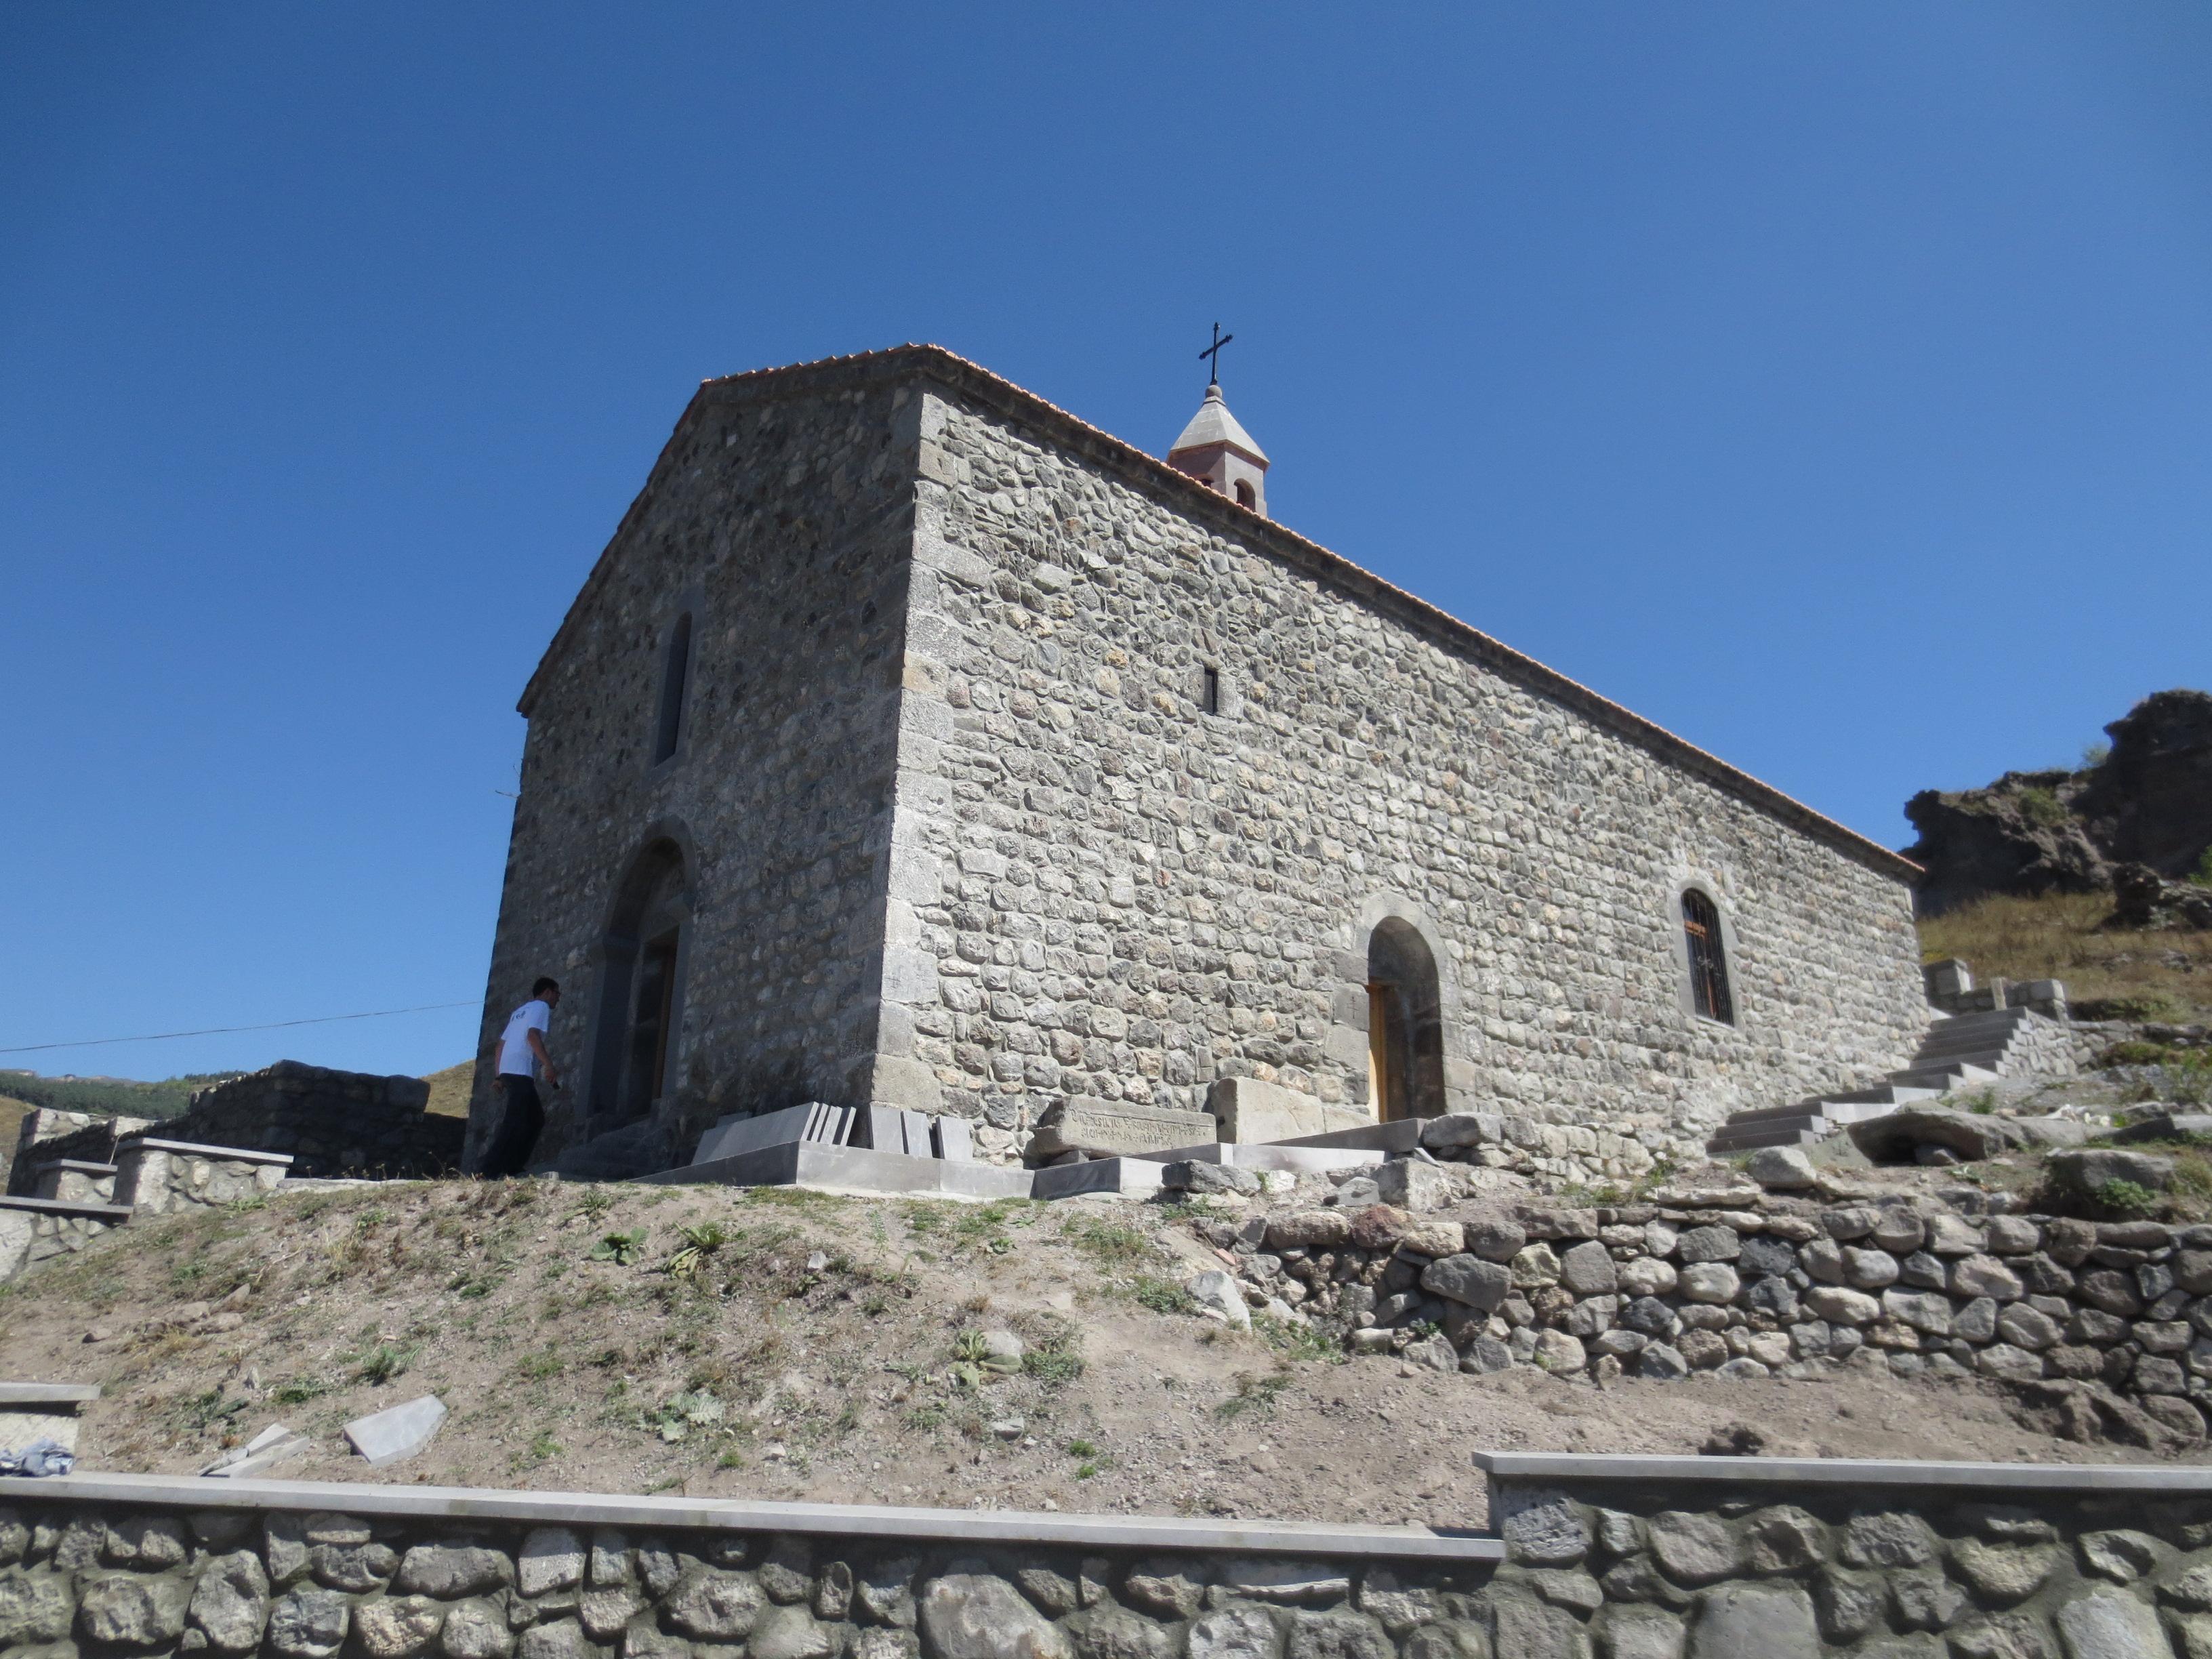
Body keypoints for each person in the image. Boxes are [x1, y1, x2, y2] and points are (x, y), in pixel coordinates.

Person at [482, 977, 561, 1177]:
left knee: (535, 1119)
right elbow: (532, 1036)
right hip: (520, 1071)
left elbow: (500, 1046)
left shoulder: (519, 1012)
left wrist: (499, 1076)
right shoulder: (541, 1007)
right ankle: (487, 1170)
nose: (558, 998)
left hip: (509, 1071)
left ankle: (513, 1166)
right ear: (547, 992)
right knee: (514, 1121)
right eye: (557, 993)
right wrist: (548, 1065)